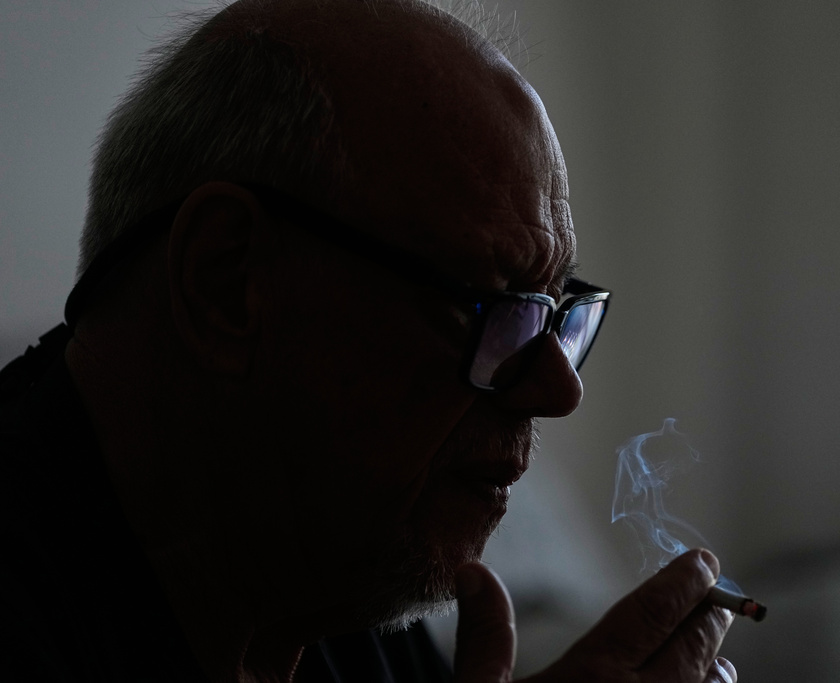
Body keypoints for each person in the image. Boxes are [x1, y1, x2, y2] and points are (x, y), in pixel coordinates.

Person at [0, 0, 737, 681]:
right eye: (491, 305)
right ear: (224, 283)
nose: (556, 390)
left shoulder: (332, 580)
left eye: (551, 315)